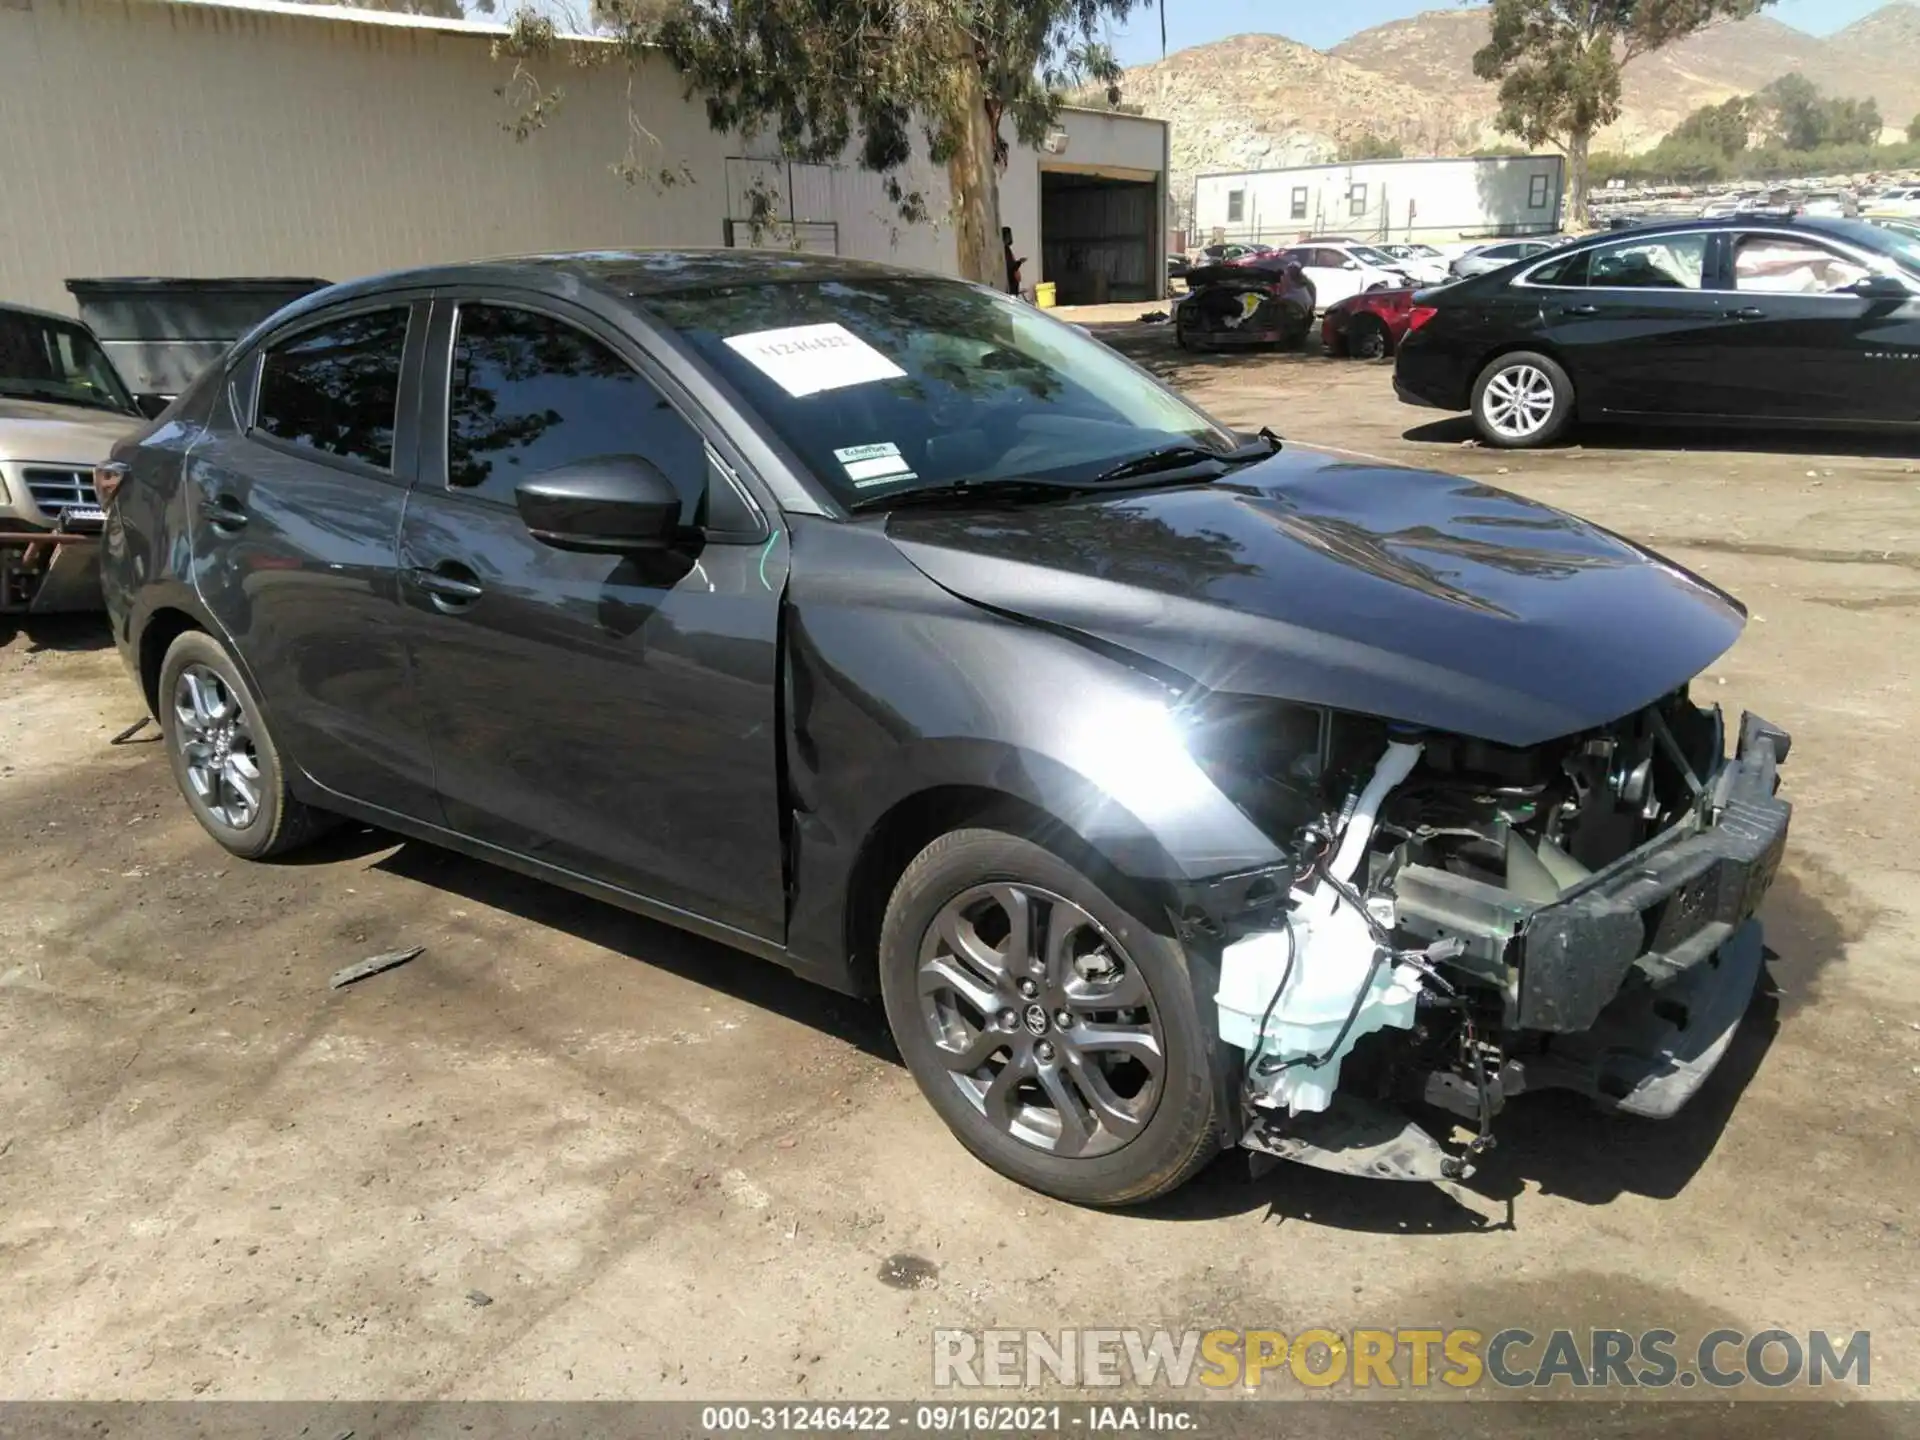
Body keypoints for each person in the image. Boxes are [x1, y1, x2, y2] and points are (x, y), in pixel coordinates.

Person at [1003, 227, 1025, 296]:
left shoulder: (1007, 249)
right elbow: (1010, 267)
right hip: (1011, 281)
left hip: (1013, 281)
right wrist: (1019, 262)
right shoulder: (1005, 250)